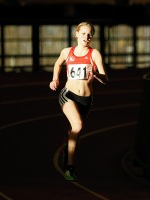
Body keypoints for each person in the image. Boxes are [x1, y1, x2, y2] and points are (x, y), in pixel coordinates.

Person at [49, 21, 108, 181]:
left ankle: (67, 151)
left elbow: (105, 79)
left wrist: (95, 73)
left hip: (86, 99)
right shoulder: (67, 52)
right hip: (68, 95)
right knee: (78, 125)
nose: (86, 37)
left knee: (75, 132)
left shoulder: (94, 54)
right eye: (83, 33)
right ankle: (70, 168)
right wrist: (55, 79)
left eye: (89, 34)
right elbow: (57, 64)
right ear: (76, 34)